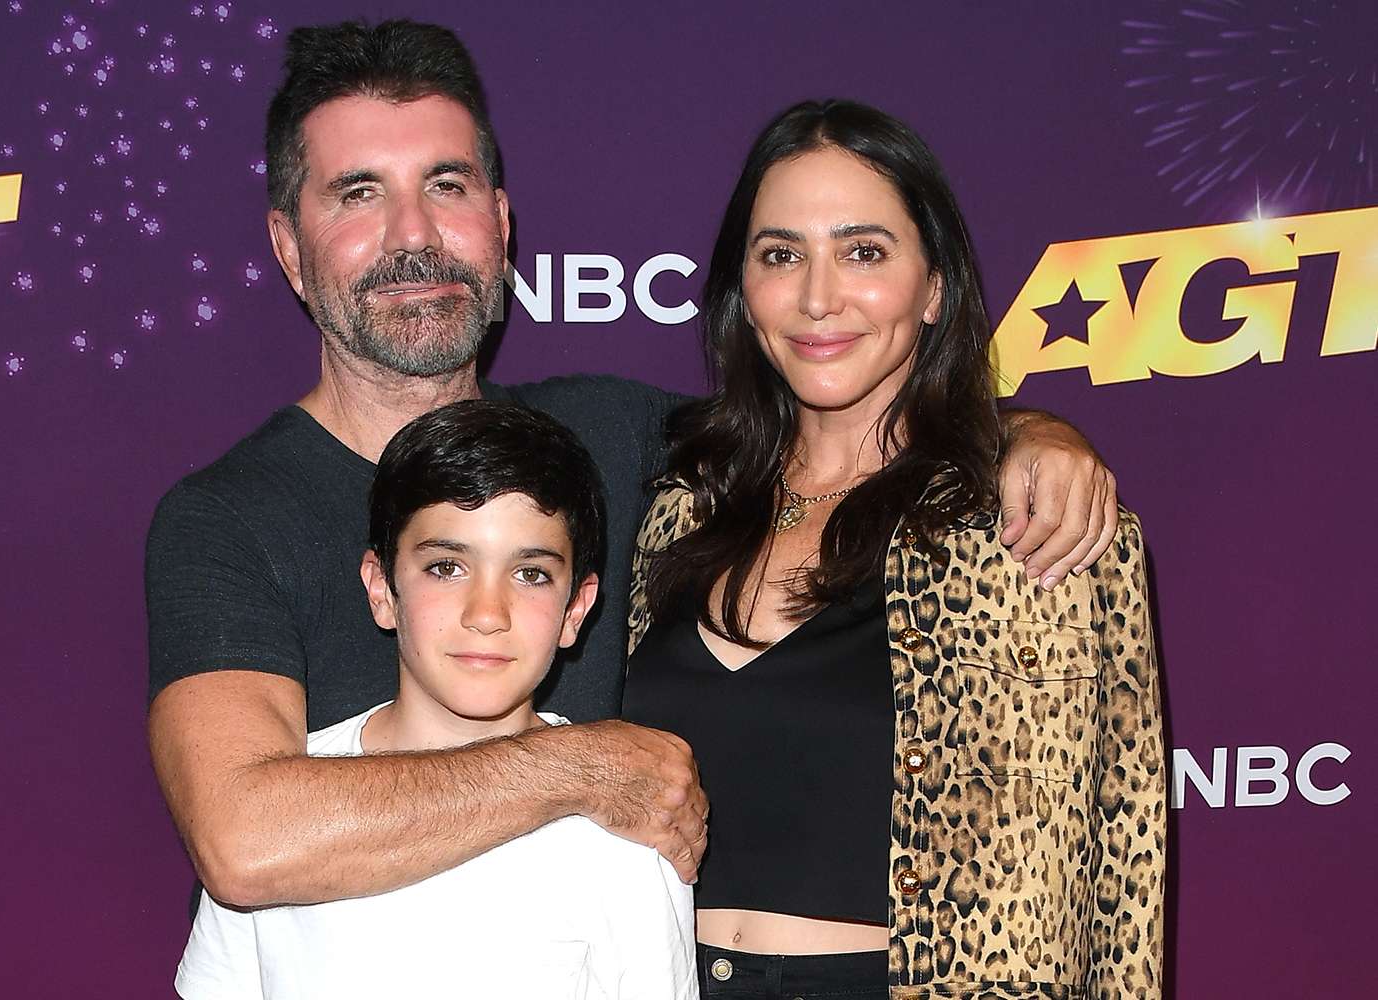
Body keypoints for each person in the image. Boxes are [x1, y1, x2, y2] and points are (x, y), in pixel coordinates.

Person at [146, 18, 1121, 930]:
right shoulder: (229, 519)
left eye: (446, 186)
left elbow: (842, 418)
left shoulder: (617, 436)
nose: (414, 235)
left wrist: (1029, 431)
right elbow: (247, 841)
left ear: (501, 223)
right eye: (359, 193)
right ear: (289, 248)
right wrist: (576, 767)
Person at [622, 100, 1165, 1000]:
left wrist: (1030, 430)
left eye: (864, 252)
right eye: (780, 254)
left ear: (935, 287)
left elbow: (1124, 866)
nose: (817, 296)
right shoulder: (679, 510)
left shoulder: (1032, 525)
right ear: (742, 291)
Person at [175, 400, 696, 1000]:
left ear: (575, 610)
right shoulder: (291, 810)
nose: (487, 614)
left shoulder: (625, 827)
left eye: (530, 574)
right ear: (382, 589)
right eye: (446, 567)